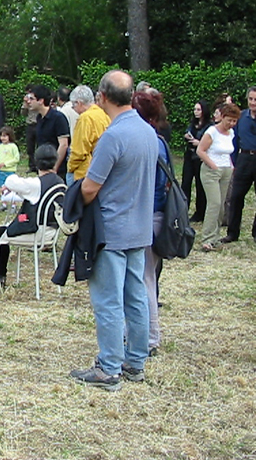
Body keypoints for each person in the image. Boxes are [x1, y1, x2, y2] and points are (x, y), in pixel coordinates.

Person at [69, 70, 157, 391]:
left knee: (108, 302)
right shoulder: (148, 132)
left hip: (112, 232)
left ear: (101, 98)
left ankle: (108, 368)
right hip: (139, 230)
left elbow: (90, 187)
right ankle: (135, 363)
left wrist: (74, 197)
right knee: (136, 298)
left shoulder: (113, 136)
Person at [0, 145, 63, 286]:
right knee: (3, 232)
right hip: (51, 232)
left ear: (36, 162)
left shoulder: (36, 183)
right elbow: (37, 198)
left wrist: (10, 184)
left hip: (35, 232)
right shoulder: (59, 183)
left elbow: (11, 180)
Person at [132, 90, 171, 356]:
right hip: (158, 216)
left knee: (144, 279)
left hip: (148, 215)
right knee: (148, 277)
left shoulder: (148, 142)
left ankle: (150, 338)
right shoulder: (160, 141)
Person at [221, 87, 256, 246]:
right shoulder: (242, 116)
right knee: (236, 196)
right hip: (245, 158)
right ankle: (232, 232)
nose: (253, 102)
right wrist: (234, 161)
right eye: (250, 99)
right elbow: (235, 139)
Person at [198, 103, 241, 252]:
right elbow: (201, 150)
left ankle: (215, 237)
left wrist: (230, 165)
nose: (231, 124)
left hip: (226, 170)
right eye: (229, 120)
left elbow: (229, 152)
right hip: (211, 171)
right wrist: (213, 165)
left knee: (221, 205)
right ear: (222, 117)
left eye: (234, 121)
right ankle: (207, 238)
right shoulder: (212, 132)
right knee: (214, 203)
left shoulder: (231, 133)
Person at [67, 84, 110, 183]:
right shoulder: (103, 114)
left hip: (83, 171)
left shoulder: (85, 118)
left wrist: (70, 167)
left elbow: (79, 150)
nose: (73, 109)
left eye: (73, 105)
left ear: (79, 103)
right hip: (100, 168)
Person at [29, 85, 70, 177]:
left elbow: (63, 145)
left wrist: (54, 168)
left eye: (32, 99)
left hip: (58, 171)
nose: (29, 101)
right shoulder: (39, 118)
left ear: (41, 101)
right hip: (43, 169)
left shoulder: (58, 118)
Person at [181, 100, 210, 222]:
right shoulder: (193, 124)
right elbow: (188, 133)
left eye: (198, 110)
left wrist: (199, 143)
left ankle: (200, 212)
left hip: (200, 158)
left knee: (200, 185)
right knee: (185, 183)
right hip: (190, 155)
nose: (196, 112)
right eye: (195, 109)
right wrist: (188, 137)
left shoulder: (209, 126)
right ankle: (182, 210)